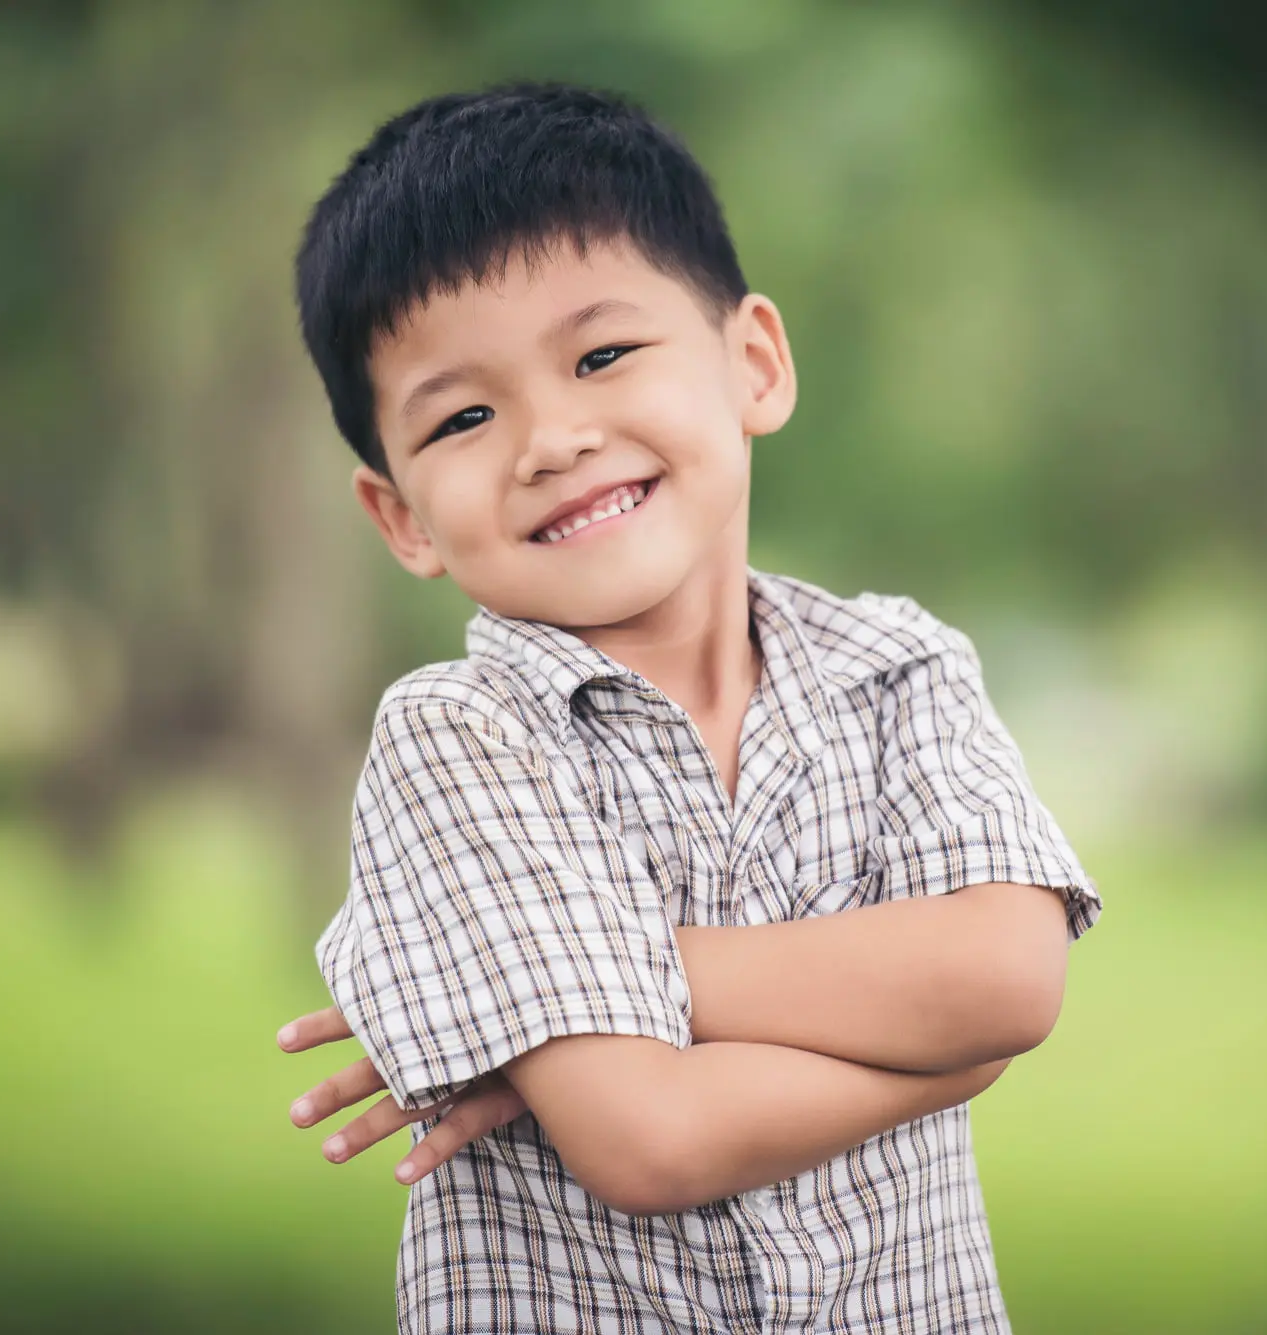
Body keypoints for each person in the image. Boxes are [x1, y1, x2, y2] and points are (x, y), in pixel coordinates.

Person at [273, 82, 1101, 1334]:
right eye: (463, 417)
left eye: (602, 355)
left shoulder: (896, 669)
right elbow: (648, 1140)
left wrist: (577, 986)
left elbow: (1007, 977)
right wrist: (944, 1060)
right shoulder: (459, 736)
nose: (551, 438)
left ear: (753, 365)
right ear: (401, 516)